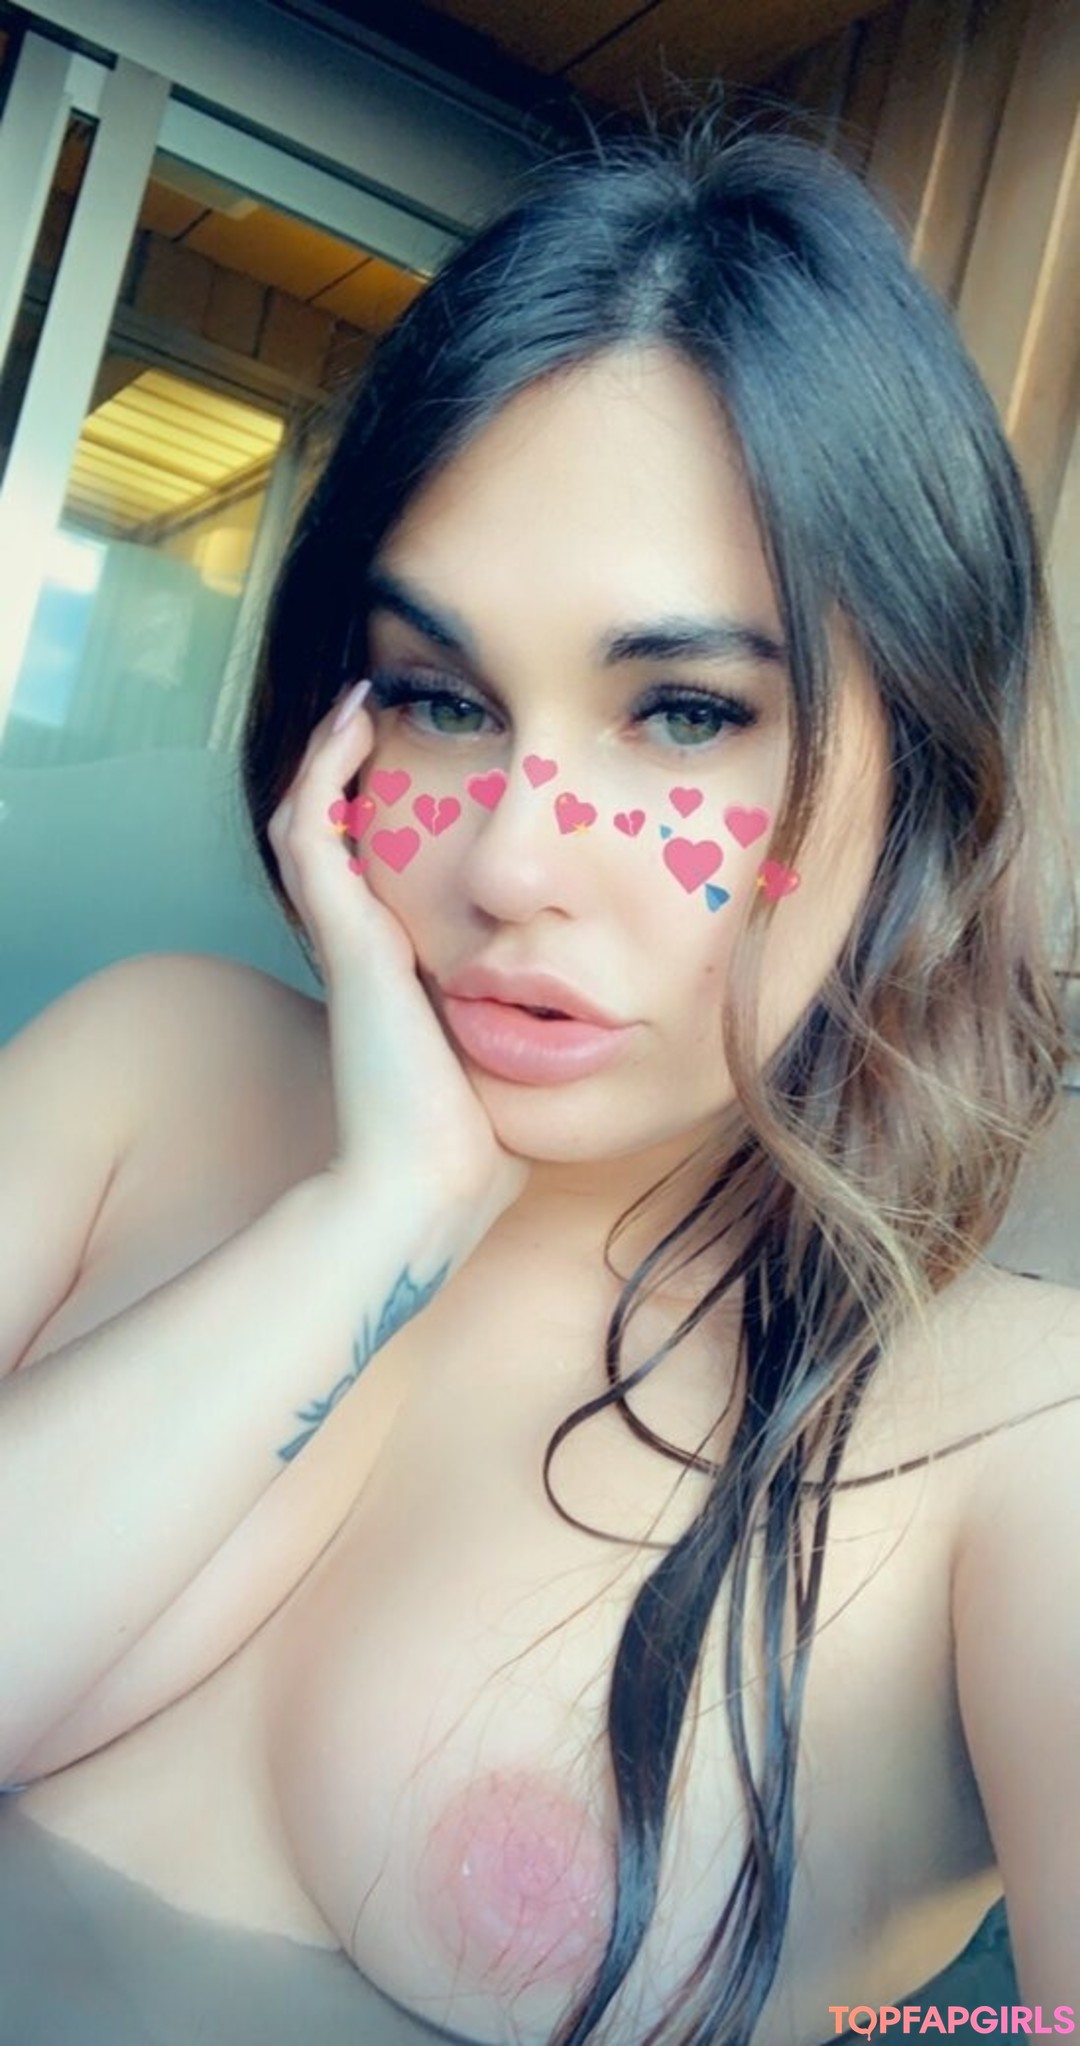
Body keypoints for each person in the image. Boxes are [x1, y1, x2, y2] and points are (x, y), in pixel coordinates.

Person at [0, 114, 1077, 2046]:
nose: (509, 862)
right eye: (440, 695)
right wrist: (380, 1213)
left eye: (686, 714)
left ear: (919, 760)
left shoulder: (1020, 1447)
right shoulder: (150, 1066)